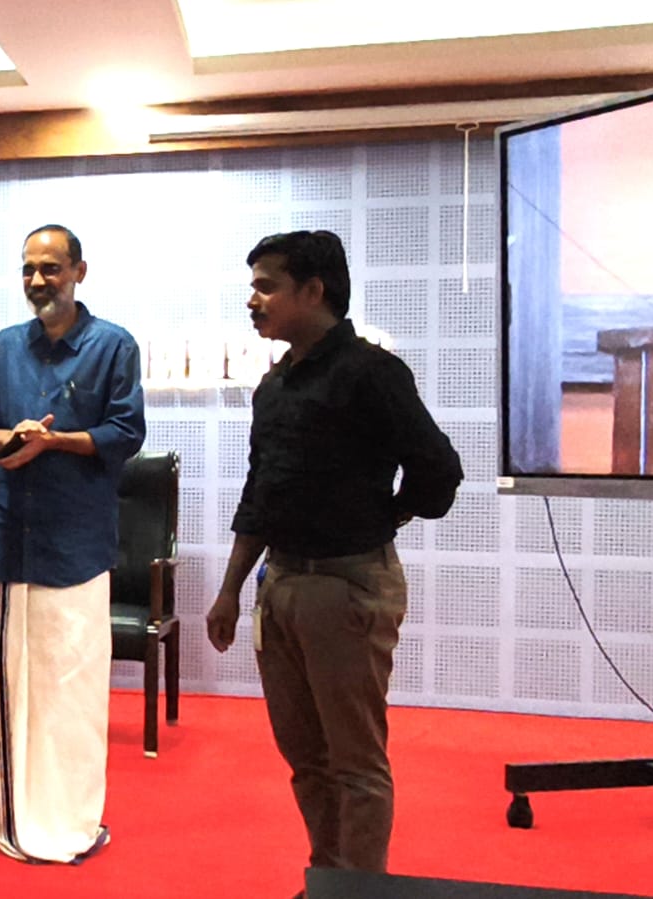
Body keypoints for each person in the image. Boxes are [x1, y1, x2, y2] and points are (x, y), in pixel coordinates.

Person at [205, 231, 462, 887]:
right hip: (281, 584)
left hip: (347, 587)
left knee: (355, 762)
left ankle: (360, 888)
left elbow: (438, 469)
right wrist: (230, 589)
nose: (252, 300)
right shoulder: (273, 386)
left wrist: (387, 516)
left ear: (313, 291)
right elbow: (260, 494)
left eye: (266, 286)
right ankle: (328, 877)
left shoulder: (370, 372)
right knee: (305, 758)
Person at [0, 224, 145, 864]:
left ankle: (70, 822)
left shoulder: (113, 344)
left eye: (51, 268)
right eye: (28, 269)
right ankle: (11, 818)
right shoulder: (6, 346)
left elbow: (125, 432)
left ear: (78, 272)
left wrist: (54, 442)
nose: (38, 280)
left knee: (71, 691)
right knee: (8, 686)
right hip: (9, 543)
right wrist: (9, 440)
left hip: (76, 546)